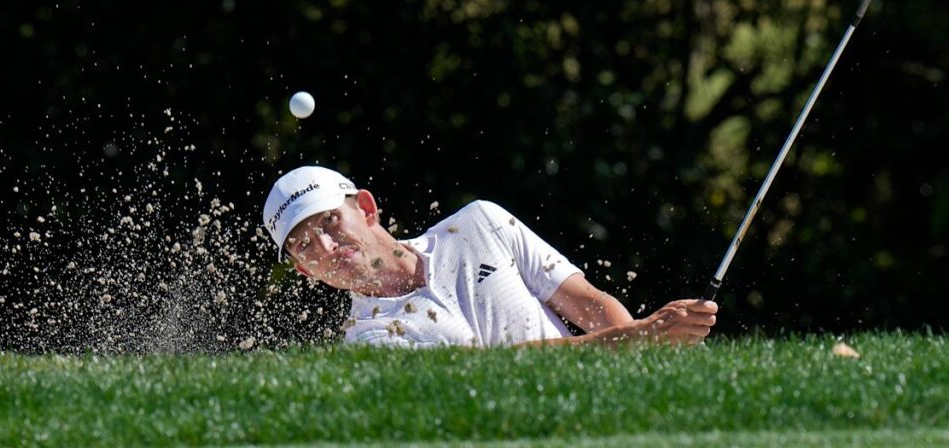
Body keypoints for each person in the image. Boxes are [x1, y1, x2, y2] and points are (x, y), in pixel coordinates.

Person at [263, 165, 718, 348]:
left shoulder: (479, 223)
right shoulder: (367, 338)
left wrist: (647, 352)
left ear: (366, 208)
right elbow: (492, 377)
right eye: (304, 246)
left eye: (328, 222)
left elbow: (592, 305)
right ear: (305, 271)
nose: (325, 247)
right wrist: (636, 338)